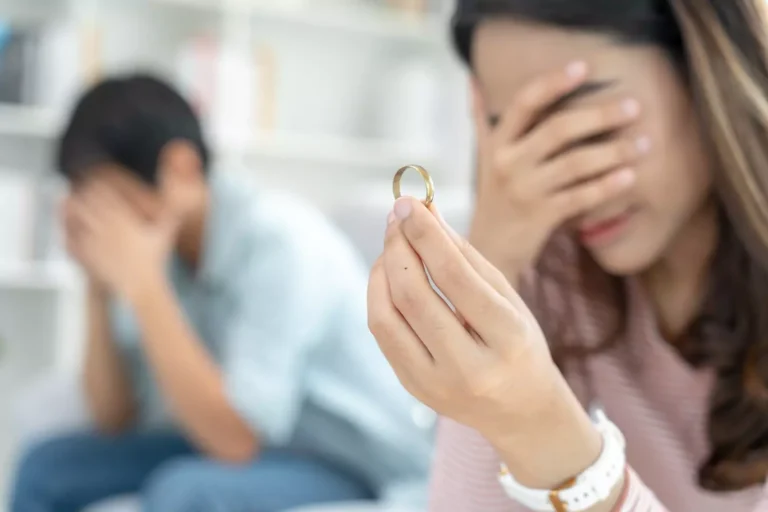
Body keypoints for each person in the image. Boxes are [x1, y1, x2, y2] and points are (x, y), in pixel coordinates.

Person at [366, 0, 768, 511]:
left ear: (704, 72)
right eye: (518, 134)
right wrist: (491, 266)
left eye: (585, 129)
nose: (563, 181)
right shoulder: (556, 268)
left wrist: (540, 428)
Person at [10, 74, 432, 512]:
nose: (104, 223)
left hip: (345, 462)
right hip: (244, 448)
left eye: (111, 200)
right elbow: (114, 416)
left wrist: (145, 287)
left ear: (180, 167)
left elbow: (236, 439)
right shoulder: (167, 249)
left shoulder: (280, 243)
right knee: (47, 467)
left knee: (185, 492)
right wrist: (96, 283)